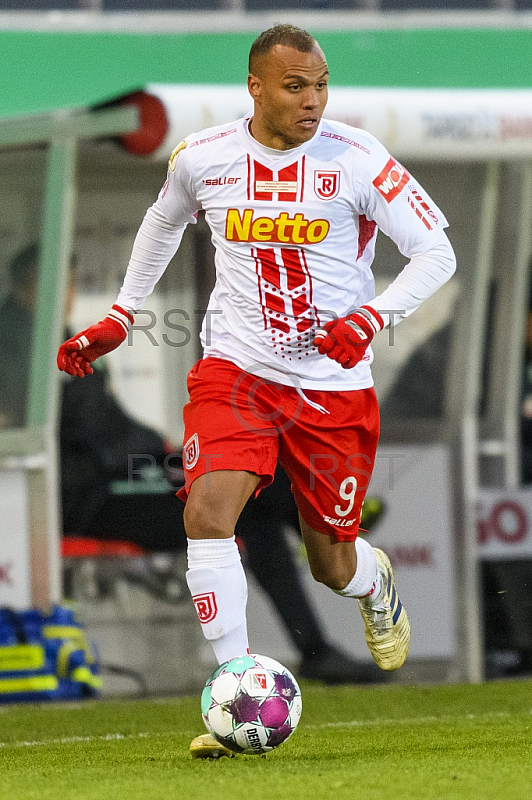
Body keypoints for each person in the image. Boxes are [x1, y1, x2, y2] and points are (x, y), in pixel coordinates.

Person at [57, 25, 456, 757]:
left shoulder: (358, 158)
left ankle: (374, 582)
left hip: (334, 386)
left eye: (321, 85)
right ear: (257, 87)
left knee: (332, 563)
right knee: (209, 512)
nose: (312, 101)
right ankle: (234, 692)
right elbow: (161, 223)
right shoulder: (204, 157)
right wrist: (119, 315)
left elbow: (437, 249)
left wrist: (373, 316)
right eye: (296, 86)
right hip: (237, 371)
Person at [2, 245, 376, 686]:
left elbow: (103, 421)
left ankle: (316, 553)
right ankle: (324, 524)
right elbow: (63, 425)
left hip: (124, 472)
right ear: (33, 286)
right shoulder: (14, 339)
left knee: (251, 503)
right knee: (250, 509)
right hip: (90, 494)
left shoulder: (46, 332)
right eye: (64, 285)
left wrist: (157, 446)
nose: (68, 295)